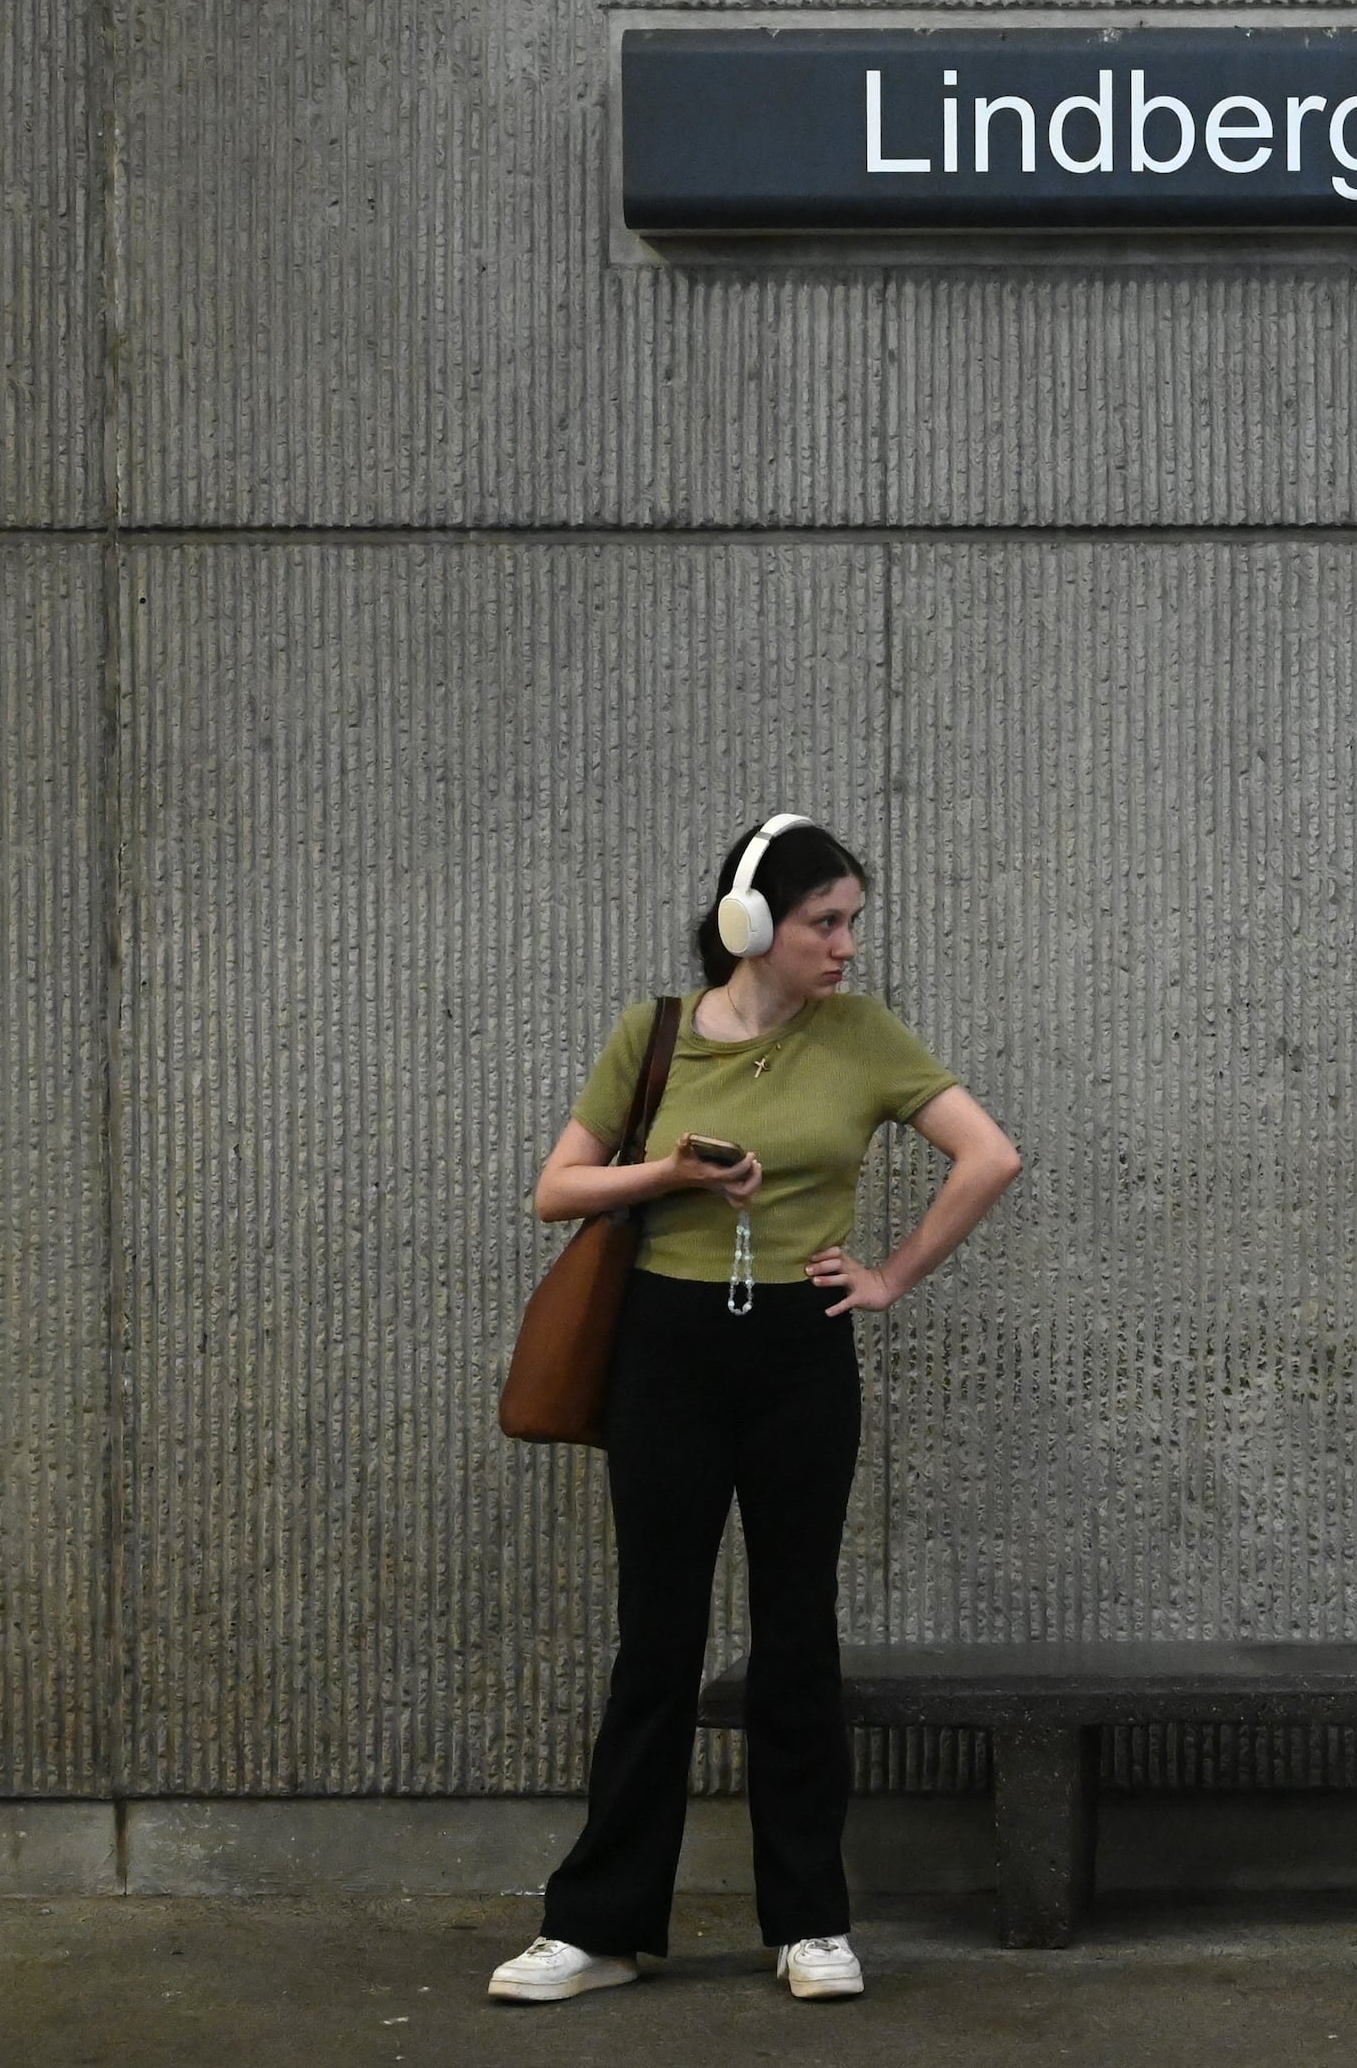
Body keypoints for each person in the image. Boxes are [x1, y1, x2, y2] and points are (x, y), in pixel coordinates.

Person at [488, 814, 1020, 2006]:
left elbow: (989, 1156)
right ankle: (599, 1927)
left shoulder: (865, 1036)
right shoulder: (655, 1035)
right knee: (658, 1640)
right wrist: (671, 1173)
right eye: (825, 922)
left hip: (798, 1353)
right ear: (751, 923)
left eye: (852, 924)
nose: (845, 947)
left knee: (796, 1638)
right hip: (664, 1352)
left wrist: (885, 1277)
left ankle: (811, 1922)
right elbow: (554, 1189)